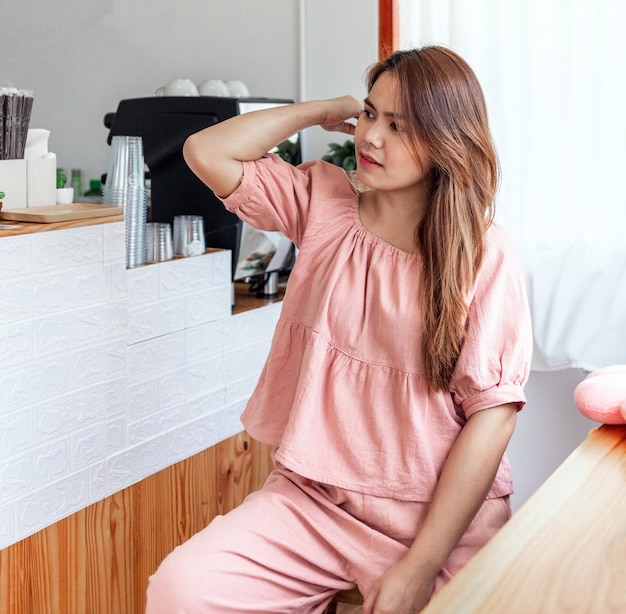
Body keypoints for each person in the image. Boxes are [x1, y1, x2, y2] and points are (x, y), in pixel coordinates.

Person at [145, 45, 532, 614]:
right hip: (315, 505)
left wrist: (420, 566)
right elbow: (206, 150)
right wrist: (319, 109)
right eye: (372, 114)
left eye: (399, 125)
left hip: (436, 520)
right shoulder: (322, 203)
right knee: (183, 588)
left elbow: (492, 415)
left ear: (447, 140)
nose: (372, 136)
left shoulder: (482, 252)